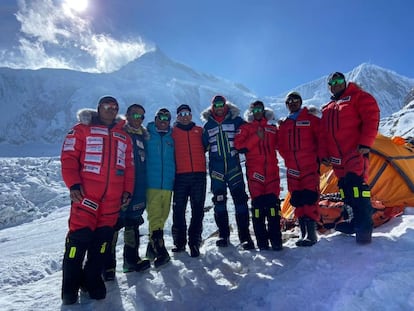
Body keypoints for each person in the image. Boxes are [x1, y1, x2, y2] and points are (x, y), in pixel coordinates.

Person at [60, 96, 135, 305]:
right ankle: (70, 288)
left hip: (112, 201)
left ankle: (91, 280)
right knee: (78, 241)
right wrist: (73, 184)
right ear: (98, 108)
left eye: (115, 107)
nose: (111, 110)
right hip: (86, 197)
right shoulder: (82, 129)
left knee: (102, 244)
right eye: (107, 106)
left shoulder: (124, 136)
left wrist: (127, 191)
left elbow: (129, 167)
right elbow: (68, 158)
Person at [319, 72, 380, 244]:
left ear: (345, 82)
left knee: (357, 187)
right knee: (345, 188)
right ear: (329, 85)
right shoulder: (327, 108)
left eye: (339, 81)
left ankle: (364, 228)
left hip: (355, 153)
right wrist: (324, 155)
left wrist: (366, 143)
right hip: (337, 159)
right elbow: (323, 135)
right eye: (332, 82)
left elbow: (371, 117)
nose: (335, 84)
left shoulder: (358, 97)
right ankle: (354, 222)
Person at [103, 104, 150, 281]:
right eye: (135, 115)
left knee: (133, 223)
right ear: (127, 115)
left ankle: (131, 261)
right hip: (119, 188)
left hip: (138, 188)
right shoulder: (119, 133)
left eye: (141, 116)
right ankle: (107, 266)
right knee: (114, 226)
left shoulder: (144, 137)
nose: (138, 119)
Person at [201, 95, 254, 249]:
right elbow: (201, 147)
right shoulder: (207, 126)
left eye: (221, 104)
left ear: (225, 106)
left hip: (234, 168)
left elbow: (251, 131)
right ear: (212, 107)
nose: (218, 107)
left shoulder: (236, 120)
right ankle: (224, 235)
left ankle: (245, 237)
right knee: (219, 201)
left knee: (240, 200)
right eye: (216, 105)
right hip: (216, 170)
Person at [234, 100, 282, 251]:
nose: (257, 112)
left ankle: (276, 240)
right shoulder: (246, 128)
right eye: (254, 110)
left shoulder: (272, 128)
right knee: (258, 208)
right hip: (255, 174)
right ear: (251, 112)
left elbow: (282, 145)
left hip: (272, 173)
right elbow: (239, 146)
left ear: (264, 110)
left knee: (274, 207)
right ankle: (262, 242)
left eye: (260, 109)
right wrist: (256, 137)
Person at [278, 92, 321, 247]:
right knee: (297, 198)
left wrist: (318, 158)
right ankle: (303, 232)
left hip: (309, 166)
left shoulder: (311, 119)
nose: (292, 103)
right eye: (289, 101)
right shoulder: (285, 124)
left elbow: (321, 138)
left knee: (310, 197)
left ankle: (311, 234)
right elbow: (280, 145)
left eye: (296, 100)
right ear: (286, 104)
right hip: (293, 169)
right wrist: (289, 159)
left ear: (300, 102)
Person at [171, 104, 207, 257]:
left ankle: (194, 242)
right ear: (178, 116)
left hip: (199, 175)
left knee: (197, 210)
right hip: (180, 176)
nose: (184, 116)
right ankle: (179, 243)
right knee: (179, 211)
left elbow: (207, 146)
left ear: (191, 115)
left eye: (187, 113)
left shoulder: (200, 131)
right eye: (181, 113)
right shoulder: (172, 133)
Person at [145, 108, 175, 267]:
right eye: (161, 117)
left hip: (168, 185)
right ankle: (161, 251)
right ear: (155, 118)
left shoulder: (172, 136)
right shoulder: (147, 134)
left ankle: (151, 248)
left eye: (167, 118)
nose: (164, 120)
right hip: (152, 183)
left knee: (163, 216)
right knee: (154, 216)